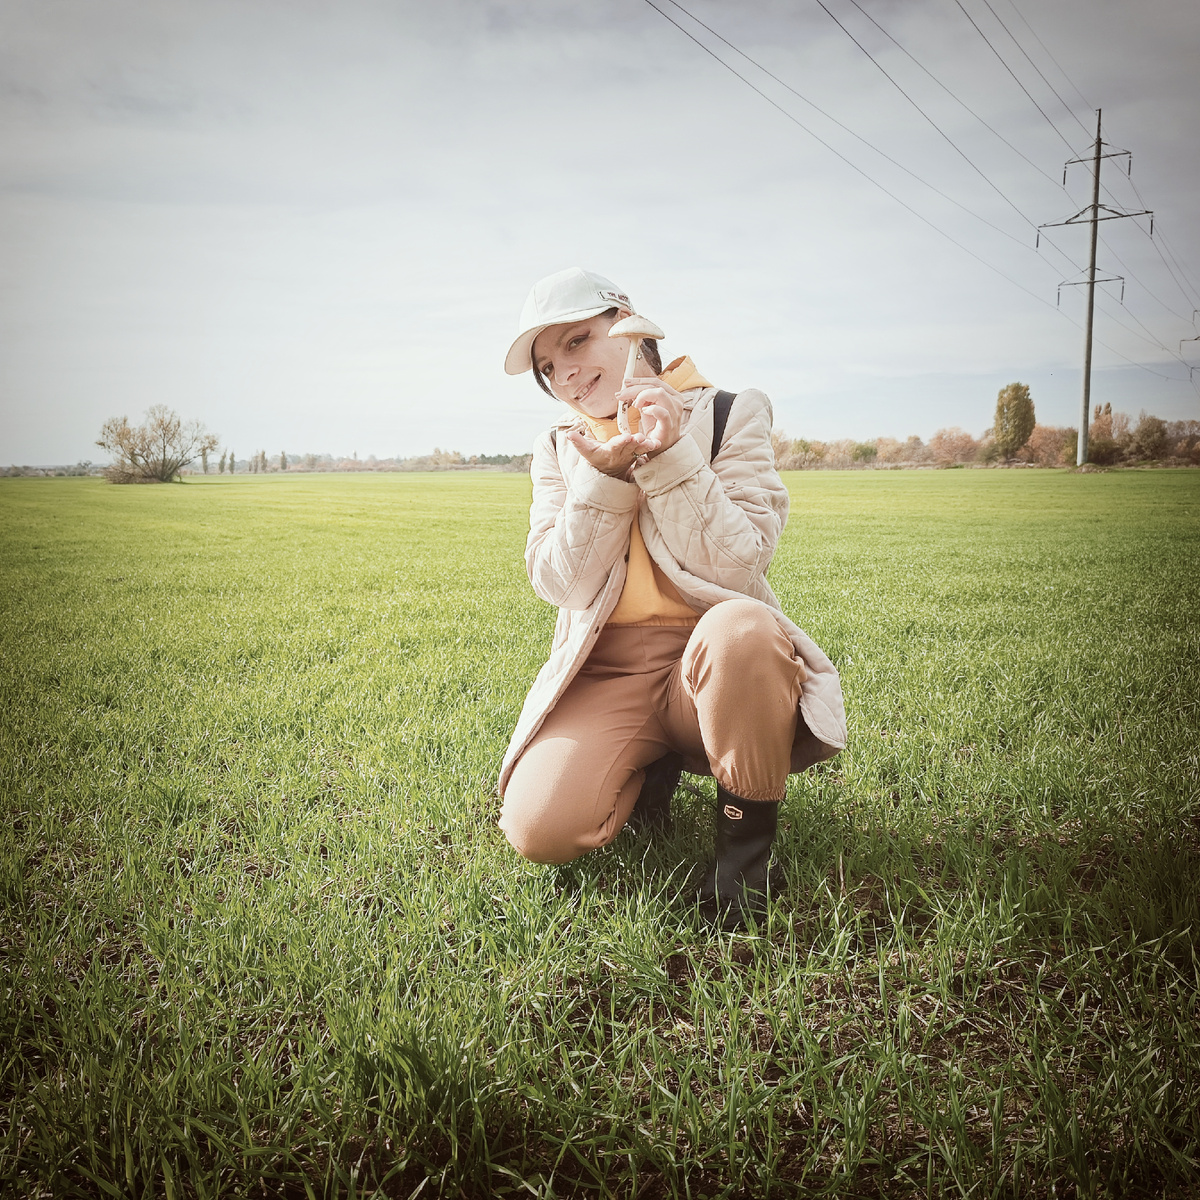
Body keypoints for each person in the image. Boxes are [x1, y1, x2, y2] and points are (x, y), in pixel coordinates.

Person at [497, 267, 846, 928]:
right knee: (540, 829)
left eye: (575, 342)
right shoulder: (558, 448)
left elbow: (739, 563)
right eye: (547, 366)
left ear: (627, 325)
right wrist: (608, 479)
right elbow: (559, 582)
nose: (564, 374)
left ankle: (742, 865)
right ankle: (645, 768)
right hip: (608, 669)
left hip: (711, 660)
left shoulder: (726, 412)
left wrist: (667, 456)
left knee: (743, 627)